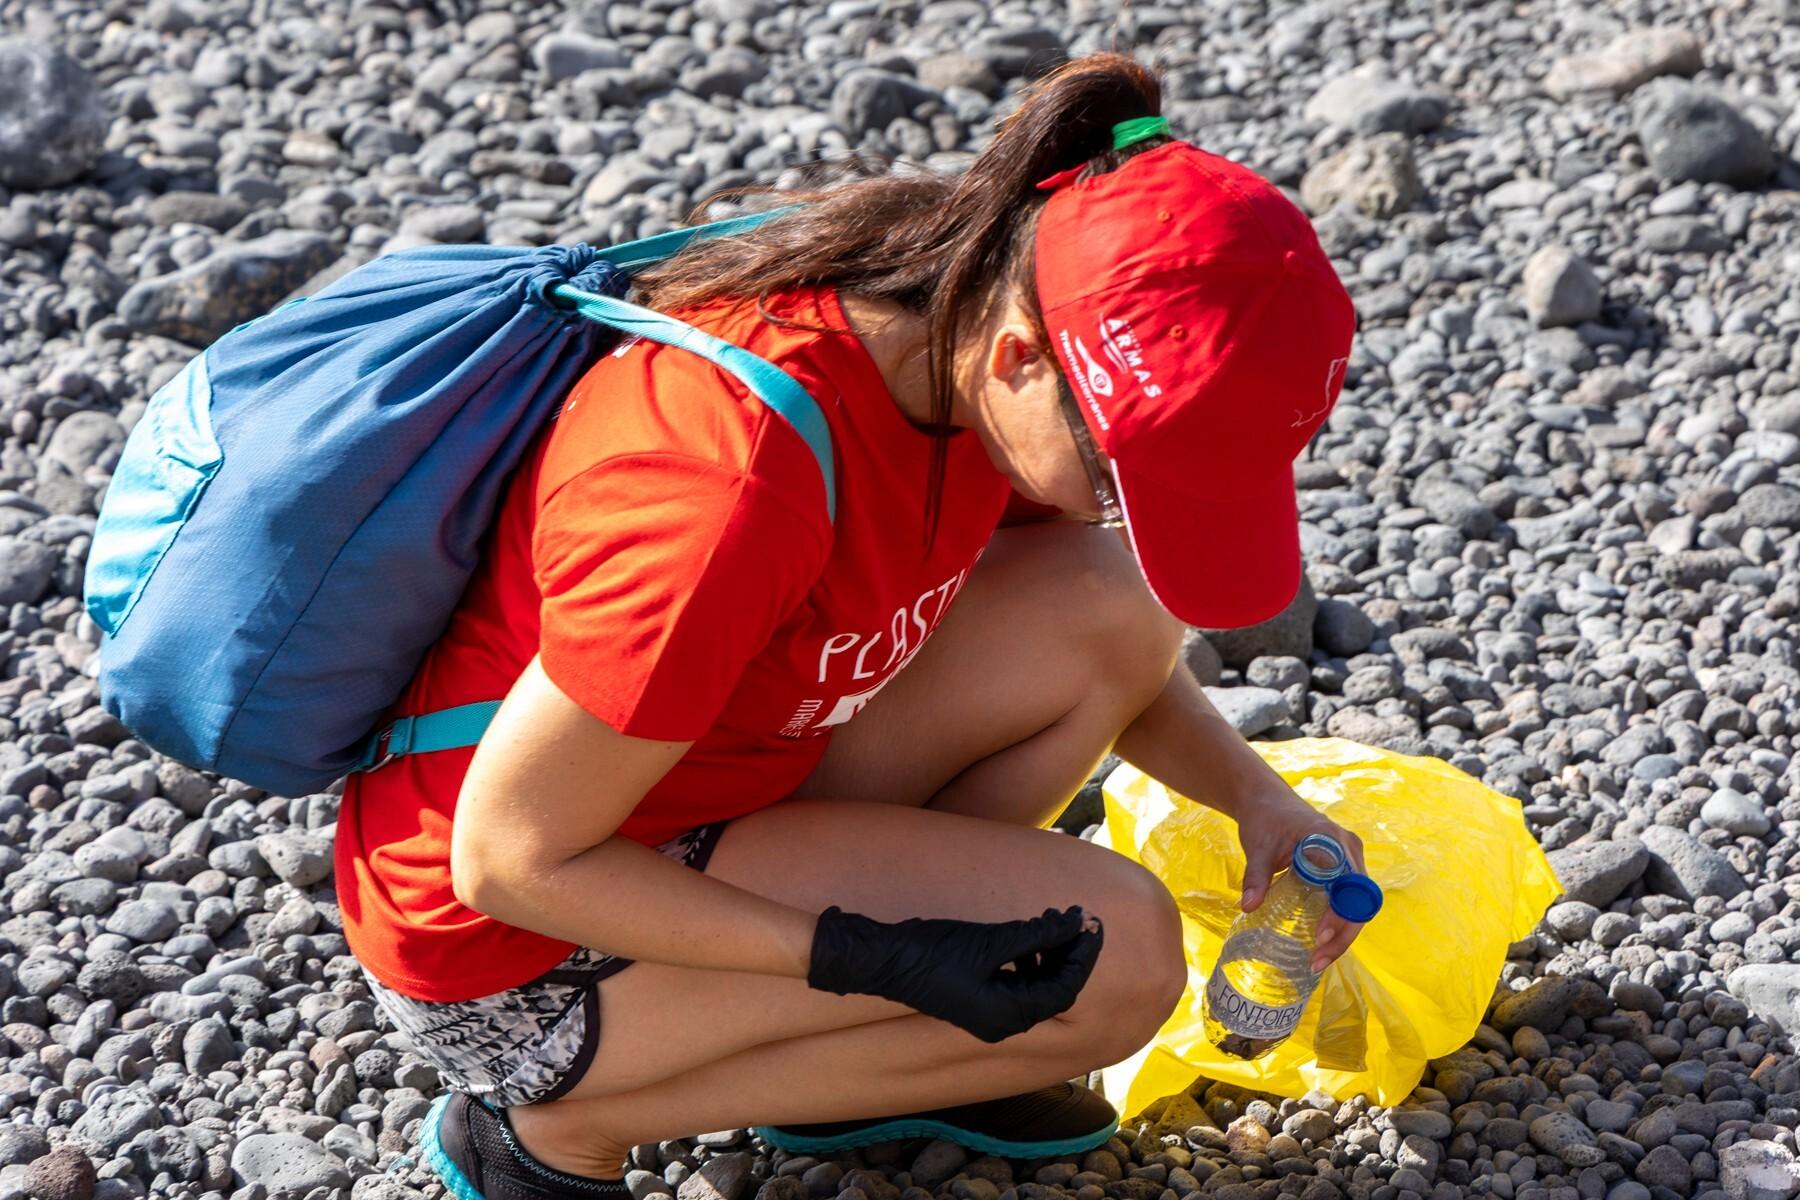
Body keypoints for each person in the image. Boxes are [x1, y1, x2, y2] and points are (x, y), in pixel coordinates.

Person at [334, 52, 1365, 1200]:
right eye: (1126, 477)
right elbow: (506, 860)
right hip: (519, 950)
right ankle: (559, 1134)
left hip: (717, 788)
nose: (1122, 507)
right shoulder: (728, 490)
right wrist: (867, 960)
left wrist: (1260, 801)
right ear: (1024, 356)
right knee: (1117, 960)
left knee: (1110, 603)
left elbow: (1110, 650)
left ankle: (873, 1064)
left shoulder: (956, 315)